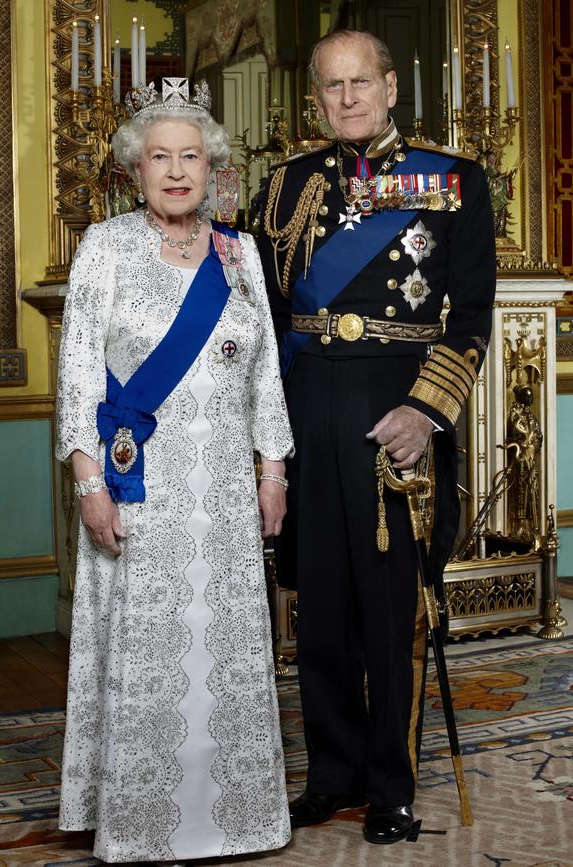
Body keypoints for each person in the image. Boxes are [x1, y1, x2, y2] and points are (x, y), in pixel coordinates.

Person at [257, 31, 496, 844]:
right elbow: (262, 314)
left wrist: (426, 413)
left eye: (363, 81)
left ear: (392, 87)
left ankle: (391, 783)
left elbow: (468, 321)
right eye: (333, 85)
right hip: (309, 402)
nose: (348, 97)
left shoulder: (454, 181)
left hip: (397, 410)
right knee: (318, 606)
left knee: (392, 612)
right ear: (316, 98)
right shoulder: (286, 186)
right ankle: (333, 773)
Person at [56, 77, 293, 863]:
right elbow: (79, 374)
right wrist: (90, 482)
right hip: (140, 481)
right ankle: (139, 818)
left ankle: (238, 817)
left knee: (220, 645)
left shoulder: (240, 250)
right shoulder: (105, 245)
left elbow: (266, 375)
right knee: (148, 647)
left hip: (224, 484)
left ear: (212, 165)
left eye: (191, 155)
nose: (178, 170)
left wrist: (272, 471)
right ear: (137, 168)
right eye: (161, 157)